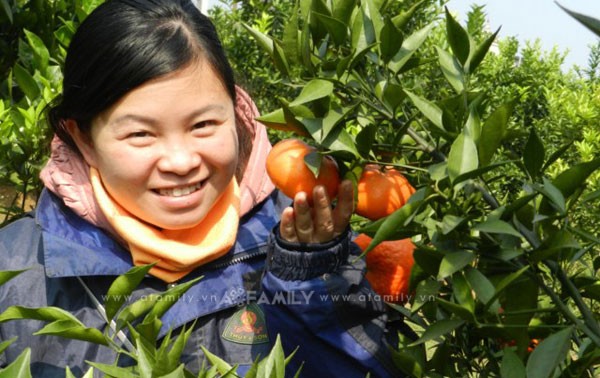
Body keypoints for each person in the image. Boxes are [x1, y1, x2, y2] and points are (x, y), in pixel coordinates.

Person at [0, 0, 410, 376]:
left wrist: (310, 279)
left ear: (238, 114)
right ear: (84, 138)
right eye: (141, 134)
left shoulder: (305, 241)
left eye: (203, 125)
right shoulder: (15, 270)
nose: (181, 162)